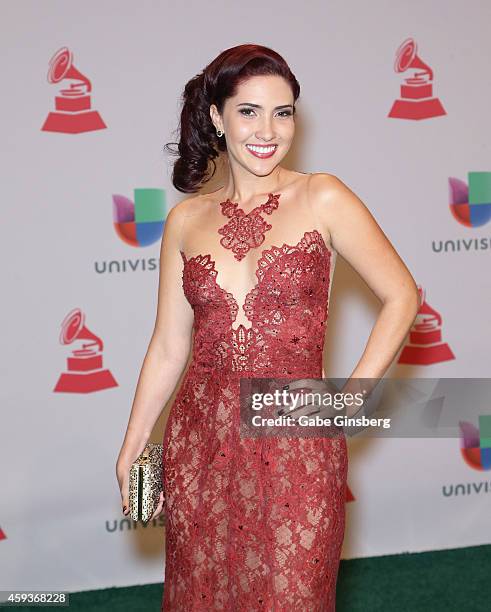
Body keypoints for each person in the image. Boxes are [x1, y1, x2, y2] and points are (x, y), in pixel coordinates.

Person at [116, 43, 420, 611]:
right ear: (216, 116)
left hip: (294, 439)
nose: (269, 130)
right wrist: (135, 441)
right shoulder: (186, 220)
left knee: (292, 597)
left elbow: (401, 294)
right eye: (249, 111)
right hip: (199, 440)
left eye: (283, 112)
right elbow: (168, 345)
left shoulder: (322, 195)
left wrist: (351, 400)